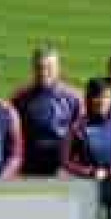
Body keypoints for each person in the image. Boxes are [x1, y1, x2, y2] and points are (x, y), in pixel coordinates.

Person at [12, 46, 83, 176]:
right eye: (39, 67)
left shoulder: (74, 98)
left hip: (61, 168)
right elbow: (13, 136)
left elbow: (82, 137)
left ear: (58, 68)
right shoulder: (20, 97)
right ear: (33, 68)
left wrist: (70, 166)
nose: (44, 72)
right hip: (30, 167)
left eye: (49, 68)